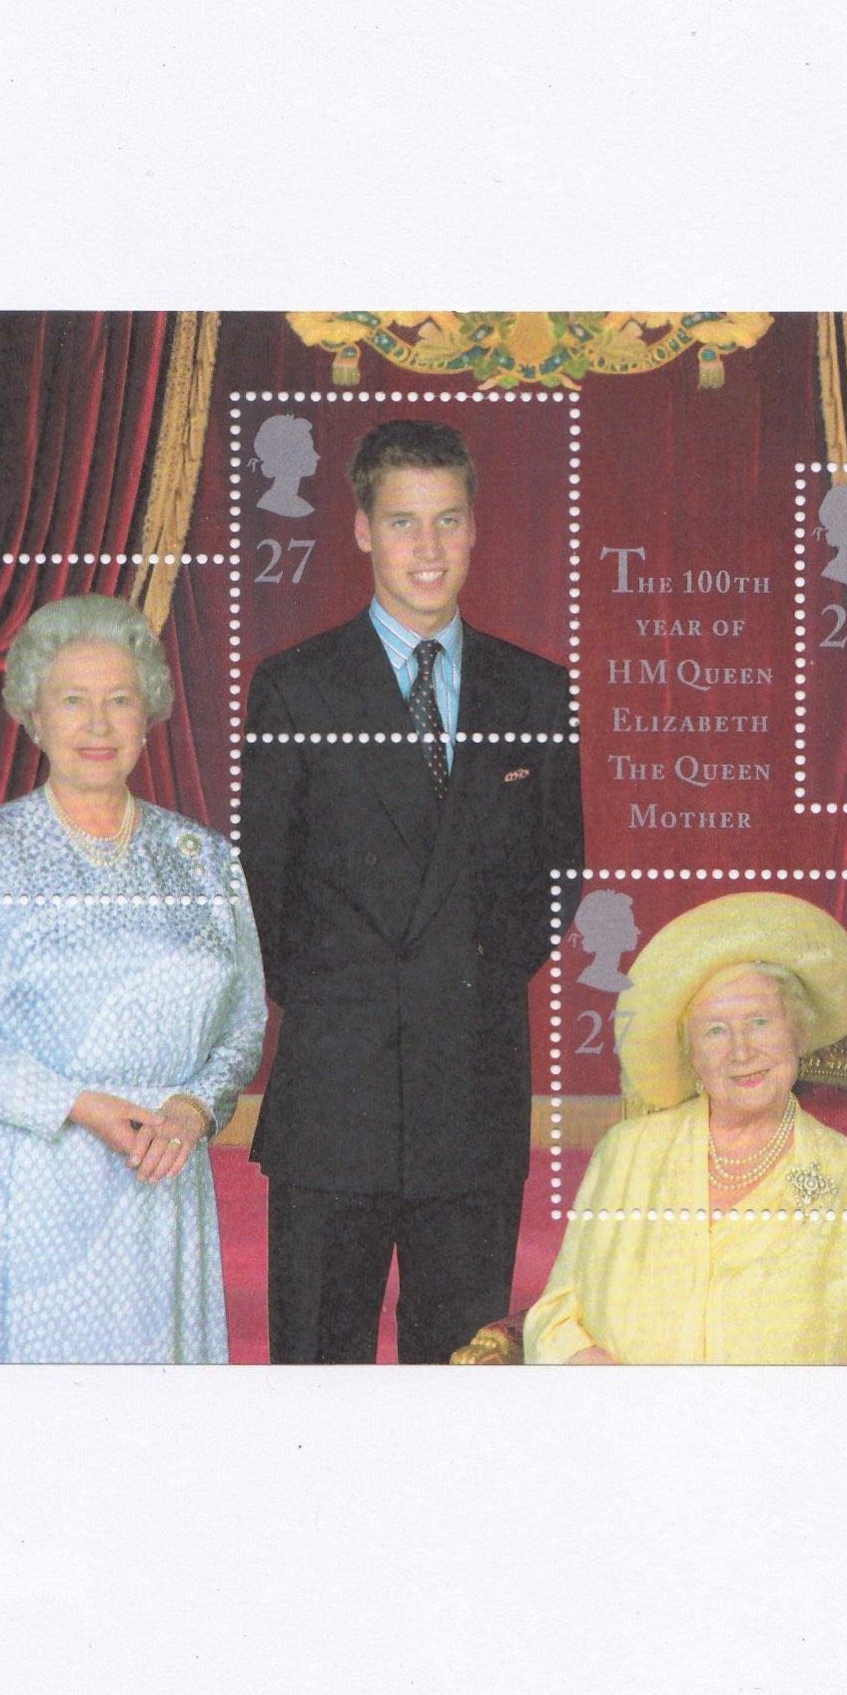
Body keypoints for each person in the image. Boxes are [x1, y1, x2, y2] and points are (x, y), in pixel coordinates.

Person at [241, 418, 585, 1364]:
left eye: (446, 521)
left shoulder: (537, 692)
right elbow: (261, 887)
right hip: (335, 1093)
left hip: (470, 1088)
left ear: (474, 528)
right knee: (318, 1363)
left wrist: (458, 983)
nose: (426, 549)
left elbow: (560, 875)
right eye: (402, 522)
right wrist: (359, 1000)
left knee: (461, 1366)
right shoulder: (293, 688)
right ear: (360, 530)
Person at [0, 594, 267, 1363]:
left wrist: (196, 1107)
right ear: (33, 714)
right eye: (73, 701)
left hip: (159, 1178)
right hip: (24, 1185)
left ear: (148, 714)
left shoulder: (205, 859)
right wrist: (72, 1103)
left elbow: (244, 1020)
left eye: (119, 700)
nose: (98, 725)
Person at [523, 892, 847, 1366]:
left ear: (798, 1034)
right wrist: (593, 1372)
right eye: (715, 1031)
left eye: (760, 1022)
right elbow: (554, 1315)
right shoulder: (627, 1153)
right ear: (691, 1053)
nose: (742, 1051)